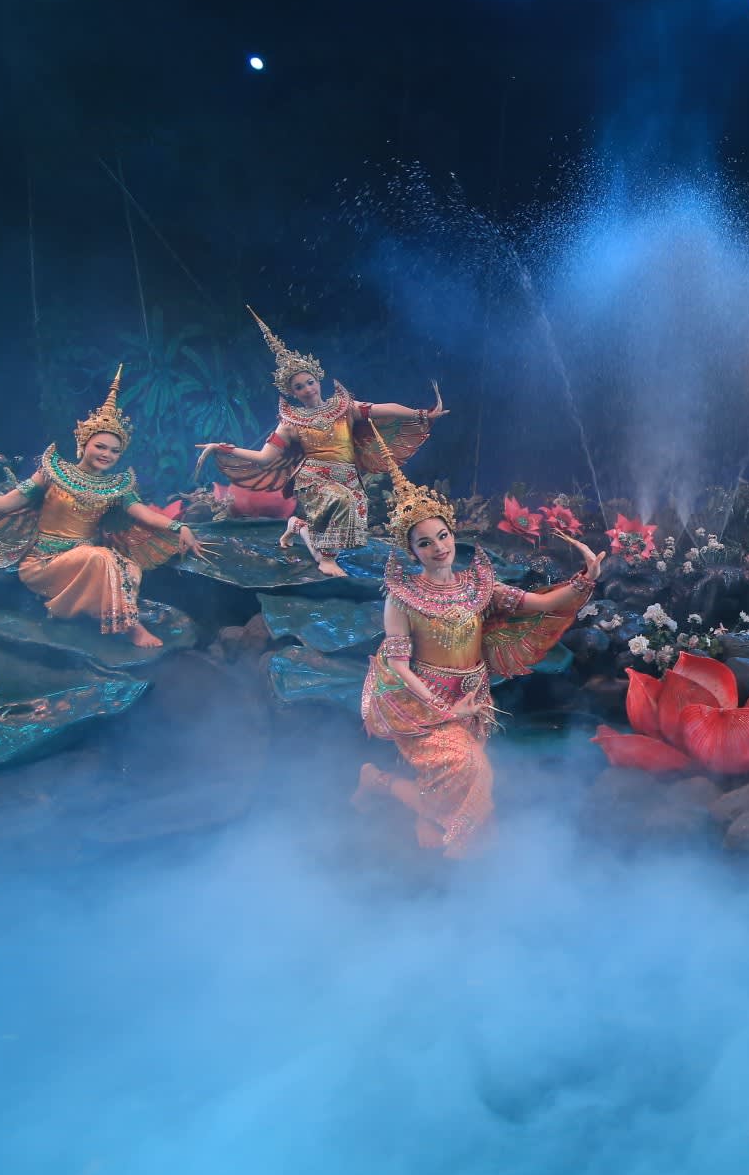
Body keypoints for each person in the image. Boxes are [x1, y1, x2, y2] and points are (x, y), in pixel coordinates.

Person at [356, 439, 603, 856]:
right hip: (425, 703)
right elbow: (398, 665)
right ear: (411, 550)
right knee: (470, 767)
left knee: (455, 774)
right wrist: (445, 709)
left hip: (473, 695)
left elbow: (540, 604)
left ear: (453, 534)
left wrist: (586, 577)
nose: (439, 548)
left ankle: (423, 815)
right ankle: (385, 786)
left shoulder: (479, 587)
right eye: (425, 543)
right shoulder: (402, 596)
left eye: (443, 536)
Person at [0, 366, 212, 648]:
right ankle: (131, 628)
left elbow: (142, 513)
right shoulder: (53, 472)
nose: (107, 454)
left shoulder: (118, 486)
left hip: (84, 561)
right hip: (43, 563)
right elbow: (5, 503)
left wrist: (179, 526)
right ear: (84, 443)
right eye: (100, 446)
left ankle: (86, 612)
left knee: (129, 568)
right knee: (102, 558)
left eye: (114, 451)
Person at [197, 306, 447, 577]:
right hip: (314, 478)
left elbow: (383, 409)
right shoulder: (291, 422)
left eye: (309, 382)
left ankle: (297, 527)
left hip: (348, 476)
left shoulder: (344, 407)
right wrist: (223, 448)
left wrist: (421, 414)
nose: (307, 389)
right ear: (292, 392)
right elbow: (265, 458)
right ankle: (325, 560)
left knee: (353, 506)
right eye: (299, 387)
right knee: (342, 501)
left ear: (318, 380)